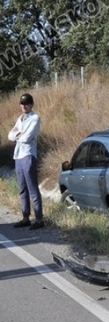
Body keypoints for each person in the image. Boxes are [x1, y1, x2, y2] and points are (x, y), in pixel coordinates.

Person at [8, 93, 44, 230]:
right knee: (22, 189)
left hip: (28, 155)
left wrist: (19, 135)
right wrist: (19, 134)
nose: (24, 106)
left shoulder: (35, 118)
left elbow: (27, 138)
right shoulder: (20, 118)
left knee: (32, 188)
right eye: (22, 104)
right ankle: (25, 217)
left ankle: (39, 219)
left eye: (27, 103)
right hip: (18, 156)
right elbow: (10, 136)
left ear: (31, 104)